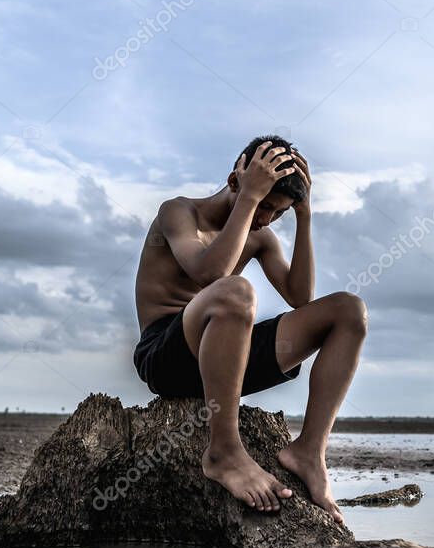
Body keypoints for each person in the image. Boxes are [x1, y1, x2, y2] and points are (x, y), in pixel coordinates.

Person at [133, 135, 366, 523]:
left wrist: (305, 216)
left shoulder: (260, 236)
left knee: (349, 311)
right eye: (265, 206)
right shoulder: (178, 212)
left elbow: (300, 297)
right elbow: (210, 273)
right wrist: (249, 199)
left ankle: (309, 450)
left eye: (278, 212)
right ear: (234, 180)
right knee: (235, 292)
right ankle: (224, 451)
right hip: (166, 354)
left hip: (226, 355)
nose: (266, 219)